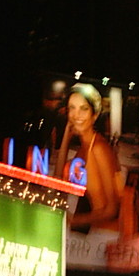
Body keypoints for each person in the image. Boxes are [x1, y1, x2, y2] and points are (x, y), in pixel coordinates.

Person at [56, 84, 122, 233]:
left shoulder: (98, 148)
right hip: (89, 227)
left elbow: (112, 209)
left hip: (105, 231)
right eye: (72, 108)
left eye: (83, 109)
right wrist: (67, 134)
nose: (76, 114)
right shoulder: (84, 146)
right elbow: (59, 180)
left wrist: (74, 221)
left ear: (95, 115)